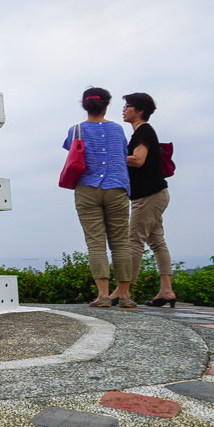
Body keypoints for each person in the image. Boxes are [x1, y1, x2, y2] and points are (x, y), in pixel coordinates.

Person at [63, 88, 136, 308]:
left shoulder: (75, 130)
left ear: (84, 105)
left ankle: (103, 295)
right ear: (106, 105)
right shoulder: (117, 130)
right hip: (117, 188)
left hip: (87, 188)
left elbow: (71, 150)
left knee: (95, 243)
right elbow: (123, 154)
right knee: (121, 242)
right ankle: (124, 296)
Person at [121, 92, 175, 307]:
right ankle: (166, 291)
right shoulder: (142, 132)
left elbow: (138, 160)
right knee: (157, 241)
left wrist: (112, 157)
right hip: (156, 194)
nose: (124, 110)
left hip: (148, 195)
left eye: (127, 106)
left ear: (139, 111)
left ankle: (122, 290)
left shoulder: (143, 130)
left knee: (134, 240)